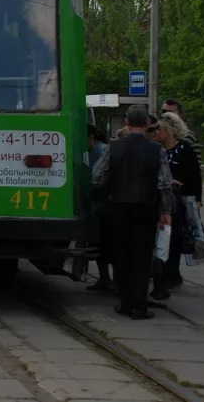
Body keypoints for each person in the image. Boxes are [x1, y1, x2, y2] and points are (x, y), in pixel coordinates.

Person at [92, 105, 173, 320]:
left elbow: (97, 177)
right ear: (147, 123)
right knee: (142, 256)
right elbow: (165, 183)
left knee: (122, 256)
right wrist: (166, 210)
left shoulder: (114, 147)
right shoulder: (157, 150)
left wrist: (111, 189)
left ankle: (125, 303)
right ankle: (140, 306)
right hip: (146, 208)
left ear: (126, 123)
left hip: (118, 208)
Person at [150, 112, 202, 298]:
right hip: (162, 202)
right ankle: (162, 276)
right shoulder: (158, 149)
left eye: (160, 129)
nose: (157, 132)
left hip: (179, 202)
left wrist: (196, 199)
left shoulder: (184, 148)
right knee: (163, 241)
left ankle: (173, 277)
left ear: (170, 131)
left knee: (174, 240)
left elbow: (195, 176)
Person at [87, 124, 114, 293]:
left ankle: (112, 279)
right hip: (95, 205)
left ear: (91, 137)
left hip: (105, 204)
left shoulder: (103, 151)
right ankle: (104, 278)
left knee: (107, 242)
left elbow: (100, 178)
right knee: (98, 244)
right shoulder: (89, 152)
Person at [161, 98, 202, 165]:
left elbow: (197, 163)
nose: (166, 115)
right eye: (164, 111)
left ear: (179, 115)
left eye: (171, 112)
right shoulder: (155, 133)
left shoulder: (188, 135)